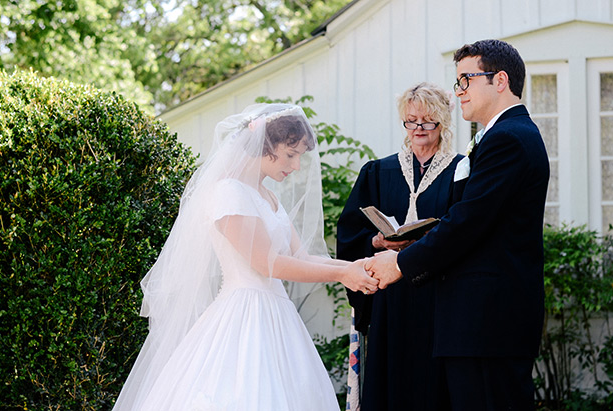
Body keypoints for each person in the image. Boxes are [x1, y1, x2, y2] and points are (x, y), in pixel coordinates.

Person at [112, 103, 379, 411]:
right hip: (244, 315)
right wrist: (343, 275)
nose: (296, 166)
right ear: (266, 146)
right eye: (291, 155)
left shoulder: (268, 196)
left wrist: (356, 266)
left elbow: (303, 255)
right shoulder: (229, 193)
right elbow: (269, 263)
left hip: (278, 315)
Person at [366, 39, 550, 410]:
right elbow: (473, 221)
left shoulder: (509, 139)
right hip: (479, 323)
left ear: (499, 80)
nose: (459, 91)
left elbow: (468, 223)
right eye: (458, 81)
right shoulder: (500, 136)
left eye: (466, 80)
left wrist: (401, 264)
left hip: (487, 322)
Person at [337, 82, 462, 410]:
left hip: (437, 297)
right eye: (411, 121)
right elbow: (350, 234)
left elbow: (466, 232)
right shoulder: (378, 171)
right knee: (390, 380)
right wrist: (374, 241)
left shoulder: (461, 171)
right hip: (389, 300)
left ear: (443, 121)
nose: (418, 129)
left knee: (433, 386)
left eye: (427, 121)